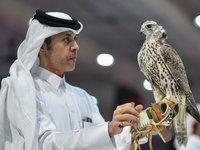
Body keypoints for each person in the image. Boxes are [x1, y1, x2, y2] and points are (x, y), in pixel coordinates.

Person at [0, 9, 147, 150]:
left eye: (75, 39)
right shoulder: (19, 90)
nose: (75, 47)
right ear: (43, 46)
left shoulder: (83, 97)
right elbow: (44, 144)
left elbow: (106, 144)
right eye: (66, 39)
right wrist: (108, 129)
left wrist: (141, 127)